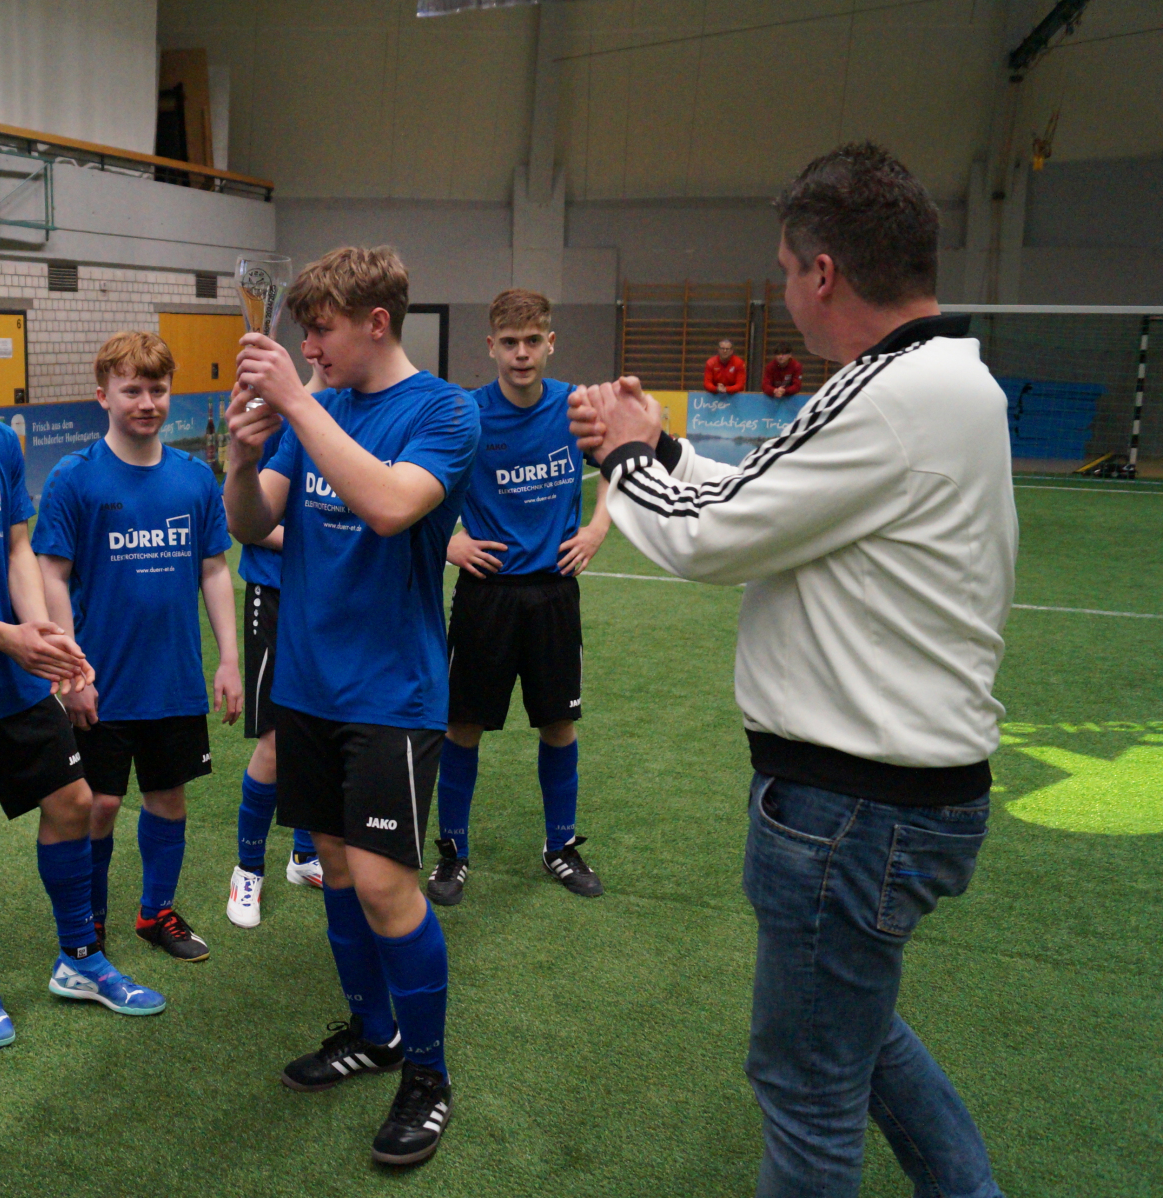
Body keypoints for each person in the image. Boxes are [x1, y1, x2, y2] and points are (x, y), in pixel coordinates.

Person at [570, 142, 1013, 1198]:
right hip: (892, 795)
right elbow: (769, 497)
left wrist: (624, 457)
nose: (782, 291)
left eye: (783, 269)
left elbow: (714, 539)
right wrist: (659, 448)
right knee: (856, 1030)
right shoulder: (938, 379)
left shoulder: (897, 395)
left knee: (809, 1088)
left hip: (856, 806)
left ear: (823, 273)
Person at [224, 246, 478, 1166]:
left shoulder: (445, 410)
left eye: (320, 329)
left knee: (381, 882)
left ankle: (430, 1076)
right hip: (307, 687)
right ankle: (376, 1034)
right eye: (301, 332)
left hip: (391, 694)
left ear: (376, 322)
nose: (308, 347)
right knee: (334, 869)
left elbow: (388, 506)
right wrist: (241, 458)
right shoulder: (317, 408)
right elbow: (252, 523)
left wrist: (296, 404)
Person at [0, 293, 168, 1034]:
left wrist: (38, 631)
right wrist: (8, 637)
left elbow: (18, 549)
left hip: (11, 675)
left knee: (73, 802)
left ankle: (79, 957)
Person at [33, 331, 241, 962]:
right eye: (131, 390)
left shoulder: (194, 478)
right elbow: (50, 577)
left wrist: (230, 660)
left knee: (168, 798)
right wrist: (72, 674)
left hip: (173, 678)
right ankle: (89, 922)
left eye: (157, 389)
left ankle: (155, 912)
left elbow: (214, 569)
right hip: (102, 680)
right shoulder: (74, 478)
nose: (147, 402)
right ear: (103, 396)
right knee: (99, 804)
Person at [428, 288, 612, 907]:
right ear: (491, 347)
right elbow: (412, 481)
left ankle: (560, 845)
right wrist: (449, 542)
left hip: (554, 592)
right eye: (509, 342)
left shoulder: (575, 405)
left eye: (533, 340)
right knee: (462, 726)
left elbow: (620, 464)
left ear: (550, 342)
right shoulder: (468, 414)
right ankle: (453, 852)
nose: (522, 353)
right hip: (486, 595)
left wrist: (596, 528)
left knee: (558, 723)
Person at [225, 359, 326, 931]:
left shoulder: (348, 415)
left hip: (328, 595)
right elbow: (245, 518)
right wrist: (322, 541)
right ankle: (248, 870)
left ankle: (305, 854)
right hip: (277, 592)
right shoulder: (270, 414)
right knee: (277, 738)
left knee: (321, 729)